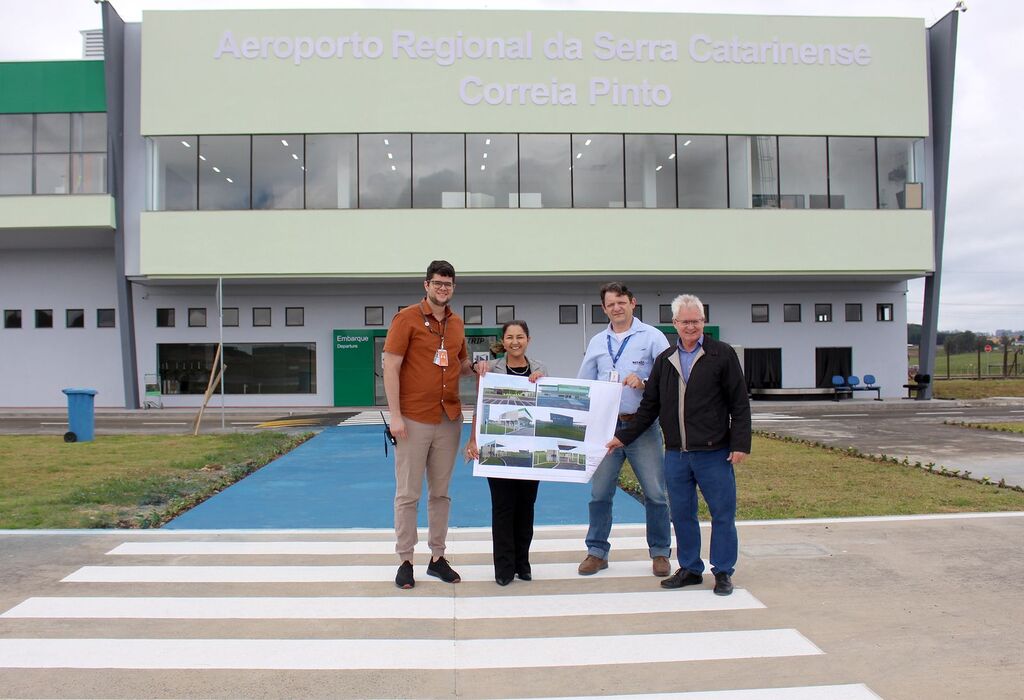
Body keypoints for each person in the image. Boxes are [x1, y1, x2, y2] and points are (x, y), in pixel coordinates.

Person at [608, 293, 751, 596]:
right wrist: (622, 438)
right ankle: (689, 568)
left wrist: (740, 443)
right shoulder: (665, 361)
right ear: (674, 324)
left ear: (703, 322)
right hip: (677, 454)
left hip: (714, 452)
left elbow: (739, 404)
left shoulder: (722, 355)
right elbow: (649, 407)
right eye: (685, 321)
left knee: (722, 514)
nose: (691, 327)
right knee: (682, 514)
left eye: (696, 321)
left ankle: (723, 571)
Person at [382, 260, 475, 590]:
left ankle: (437, 558)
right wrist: (395, 416)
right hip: (413, 418)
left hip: (449, 420)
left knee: (441, 493)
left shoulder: (457, 324)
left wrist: (479, 368)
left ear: (453, 288)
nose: (442, 289)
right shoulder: (405, 319)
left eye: (448, 284)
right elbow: (390, 367)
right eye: (437, 283)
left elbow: (461, 365)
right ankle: (405, 559)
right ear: (426, 285)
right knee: (408, 494)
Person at [576, 282, 672, 577]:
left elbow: (669, 378)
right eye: (610, 304)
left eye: (621, 302)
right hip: (606, 430)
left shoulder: (653, 337)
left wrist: (644, 381)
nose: (616, 308)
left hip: (641, 427)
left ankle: (660, 553)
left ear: (633, 302)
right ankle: (597, 551)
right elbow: (584, 385)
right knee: (600, 493)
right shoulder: (597, 342)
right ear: (604, 309)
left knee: (655, 493)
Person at [465, 320, 547, 586]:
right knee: (502, 507)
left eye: (520, 336)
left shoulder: (540, 369)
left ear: (528, 340)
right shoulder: (491, 369)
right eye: (510, 337)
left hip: (530, 452)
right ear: (503, 340)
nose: (515, 341)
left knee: (526, 507)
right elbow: (480, 406)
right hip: (498, 450)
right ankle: (504, 567)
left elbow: (547, 406)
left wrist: (542, 384)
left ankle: (522, 563)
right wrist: (473, 439)